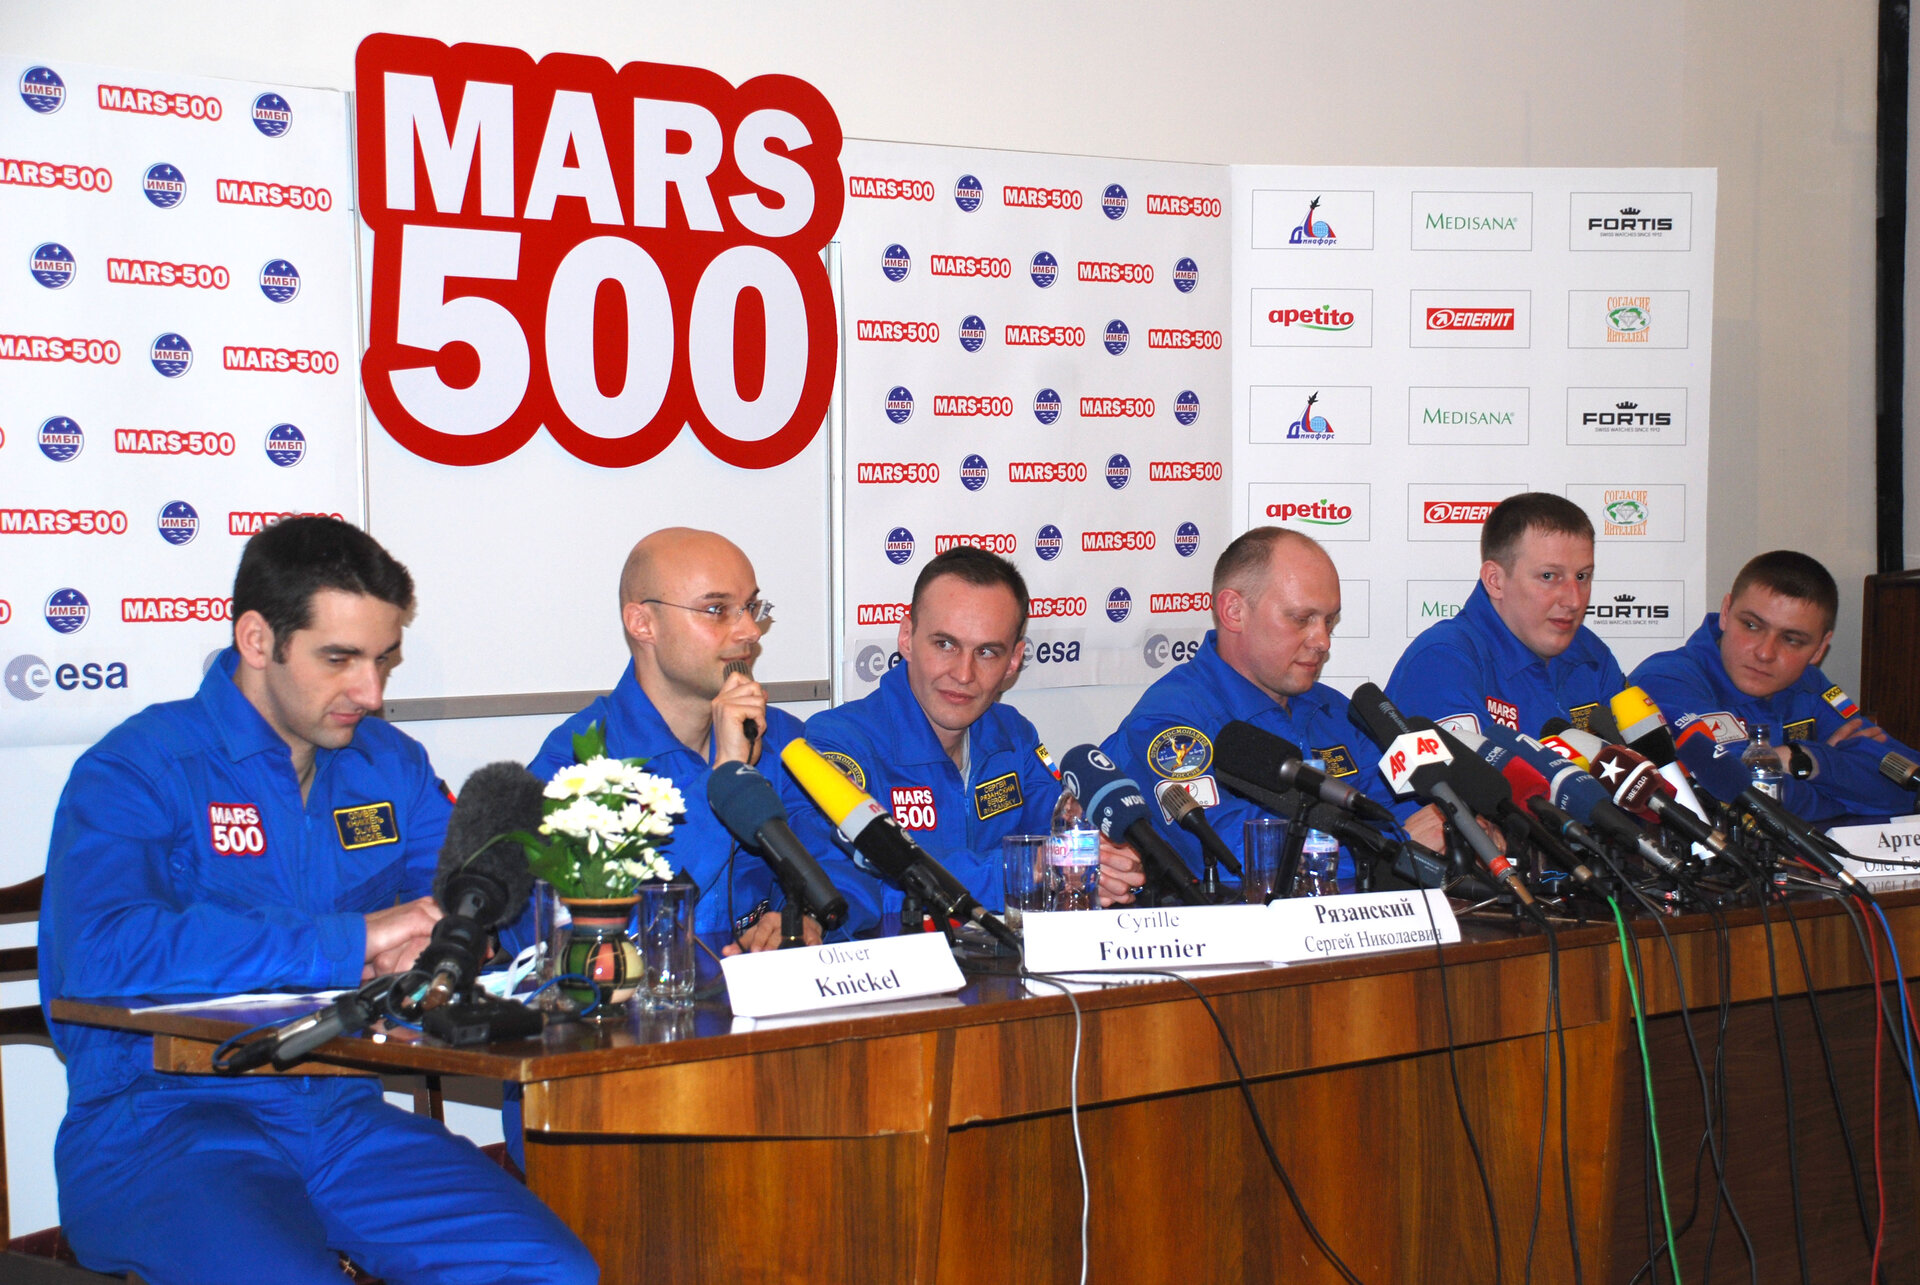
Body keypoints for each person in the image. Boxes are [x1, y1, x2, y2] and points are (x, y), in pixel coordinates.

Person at [39, 517, 595, 1284]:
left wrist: (452, 947)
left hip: (340, 1116)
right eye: (340, 658)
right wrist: (353, 937)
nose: (369, 691)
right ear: (258, 639)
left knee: (550, 1269)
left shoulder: (390, 763)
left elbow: (459, 910)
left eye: (382, 659)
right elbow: (99, 954)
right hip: (163, 1123)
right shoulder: (138, 766)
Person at [523, 527, 878, 947]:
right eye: (716, 610)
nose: (750, 631)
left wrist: (803, 917)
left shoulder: (779, 737)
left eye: (751, 607)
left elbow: (855, 869)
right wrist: (727, 775)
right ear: (642, 623)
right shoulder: (580, 761)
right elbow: (567, 933)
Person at [792, 545, 1141, 917]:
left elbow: (1058, 830)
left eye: (987, 652)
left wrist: (1100, 859)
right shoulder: (839, 742)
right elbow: (853, 887)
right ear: (907, 638)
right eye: (945, 644)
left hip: (1002, 966)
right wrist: (1029, 869)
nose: (963, 674)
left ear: (1014, 661)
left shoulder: (1015, 736)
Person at [1102, 527, 1447, 879]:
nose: (1323, 641)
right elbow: (1233, 855)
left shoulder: (1334, 711)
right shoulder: (1170, 720)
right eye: (1302, 619)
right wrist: (1392, 852)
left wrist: (1445, 832)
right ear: (1233, 611)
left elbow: (1406, 812)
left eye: (1329, 620)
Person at [1629, 549, 1919, 823]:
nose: (1765, 653)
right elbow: (1737, 795)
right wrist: (1837, 782)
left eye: (1792, 639)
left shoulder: (1811, 685)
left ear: (1819, 649)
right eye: (1752, 626)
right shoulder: (1666, 680)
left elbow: (1908, 783)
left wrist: (1805, 759)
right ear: (1727, 612)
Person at [1386, 491, 1625, 739]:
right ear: (1495, 581)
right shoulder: (1443, 658)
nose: (1574, 601)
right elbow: (1465, 777)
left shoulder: (1592, 654)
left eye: (1582, 576)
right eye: (1548, 576)